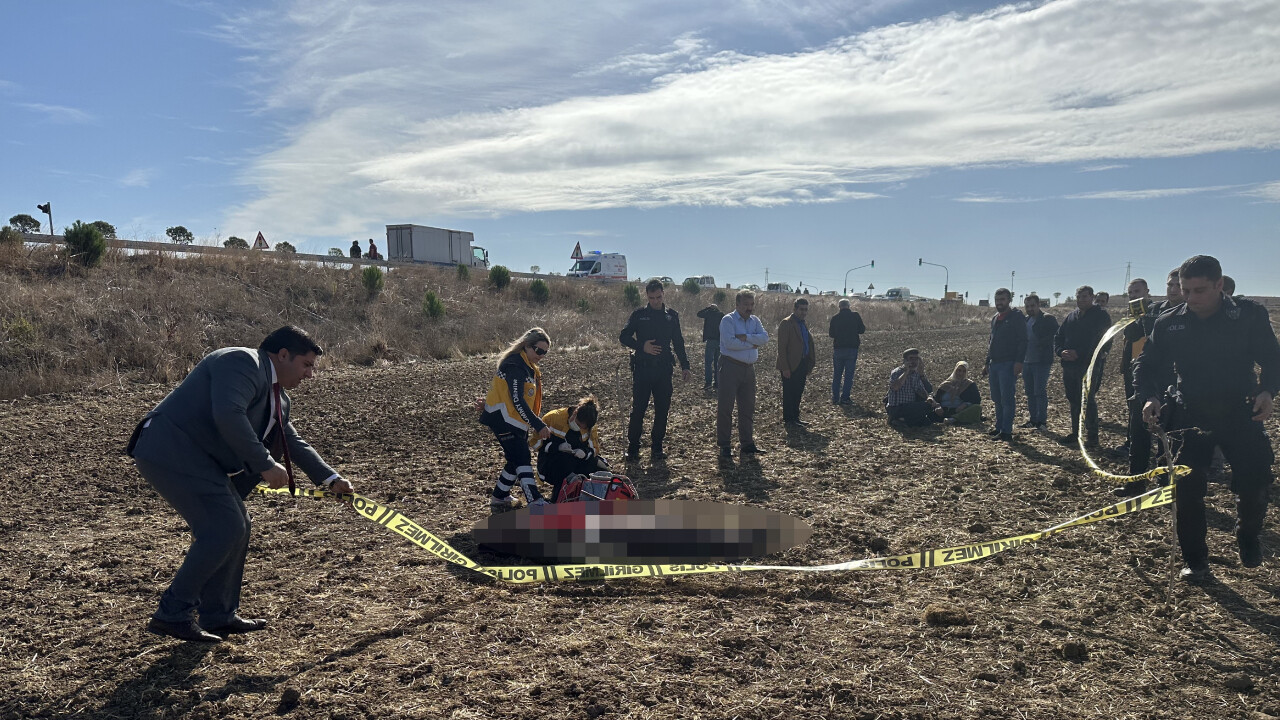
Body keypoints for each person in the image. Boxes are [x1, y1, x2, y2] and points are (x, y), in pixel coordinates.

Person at [126, 325, 355, 642]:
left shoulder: (280, 398)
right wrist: (264, 463)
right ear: (283, 354)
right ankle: (172, 614)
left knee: (238, 525)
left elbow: (289, 439)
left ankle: (218, 615)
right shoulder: (241, 361)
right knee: (224, 527)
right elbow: (228, 413)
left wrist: (329, 478)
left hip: (199, 459)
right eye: (306, 365)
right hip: (171, 449)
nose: (310, 375)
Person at [1133, 255, 1280, 582]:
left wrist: (1268, 390)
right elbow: (1146, 365)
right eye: (1186, 290)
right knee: (1186, 491)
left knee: (1256, 484)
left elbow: (1272, 359)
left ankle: (1247, 534)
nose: (1191, 298)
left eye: (1200, 290)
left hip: (1241, 413)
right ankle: (1196, 562)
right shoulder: (1170, 322)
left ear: (1219, 285)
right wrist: (1151, 397)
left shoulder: (1247, 316)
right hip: (1189, 414)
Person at [619, 280, 691, 461]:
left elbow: (679, 342)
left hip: (664, 370)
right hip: (643, 370)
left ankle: (657, 447)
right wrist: (641, 346)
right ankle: (633, 447)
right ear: (647, 296)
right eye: (651, 298)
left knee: (662, 409)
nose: (655, 301)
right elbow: (624, 336)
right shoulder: (639, 314)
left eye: (658, 297)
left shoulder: (672, 316)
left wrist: (685, 365)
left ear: (663, 294)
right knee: (638, 410)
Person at [481, 328, 552, 508]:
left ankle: (500, 496)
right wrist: (537, 424)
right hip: (503, 420)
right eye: (538, 350)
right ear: (527, 346)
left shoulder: (528, 367)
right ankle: (534, 500)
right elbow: (517, 400)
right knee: (522, 457)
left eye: (545, 352)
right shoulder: (515, 365)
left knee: (514, 458)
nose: (541, 355)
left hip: (514, 421)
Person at [1112, 279, 1157, 490]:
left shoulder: (1157, 313)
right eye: (1130, 292)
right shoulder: (1132, 315)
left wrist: (1143, 318)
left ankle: (1163, 479)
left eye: (1137, 291)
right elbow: (1129, 337)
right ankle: (1136, 479)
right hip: (1133, 369)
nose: (1133, 295)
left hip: (1153, 373)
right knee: (1134, 415)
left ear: (1147, 292)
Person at [1054, 285, 1111, 447]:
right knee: (1073, 399)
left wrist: (1080, 353)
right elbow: (1058, 337)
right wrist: (1061, 351)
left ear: (1092, 297)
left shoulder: (1101, 316)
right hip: (1069, 366)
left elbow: (1105, 340)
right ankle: (1076, 432)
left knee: (1087, 400)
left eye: (1085, 297)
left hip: (1089, 365)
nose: (1081, 300)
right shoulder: (1071, 317)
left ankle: (1092, 437)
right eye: (1079, 297)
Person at [718, 291, 769, 458]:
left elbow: (764, 338)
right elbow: (730, 343)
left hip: (749, 369)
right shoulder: (728, 320)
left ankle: (747, 443)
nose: (749, 308)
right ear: (737, 304)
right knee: (726, 407)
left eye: (752, 304)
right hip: (730, 367)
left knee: (747, 407)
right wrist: (752, 343)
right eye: (746, 304)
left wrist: (746, 337)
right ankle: (725, 444)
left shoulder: (755, 321)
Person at [532, 395, 609, 502]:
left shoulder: (591, 428)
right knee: (565, 464)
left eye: (583, 428)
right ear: (575, 412)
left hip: (577, 461)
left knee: (601, 469)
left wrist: (585, 453)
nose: (579, 428)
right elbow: (535, 443)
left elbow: (595, 449)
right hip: (552, 462)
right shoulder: (552, 418)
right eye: (577, 424)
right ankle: (558, 500)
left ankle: (592, 498)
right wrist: (557, 447)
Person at [981, 288, 1026, 441]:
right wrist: (987, 362)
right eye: (997, 300)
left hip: (1008, 364)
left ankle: (1006, 431)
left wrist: (1019, 362)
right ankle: (999, 427)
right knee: (997, 398)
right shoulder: (995, 318)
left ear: (1009, 300)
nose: (999, 303)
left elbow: (1023, 341)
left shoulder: (1017, 317)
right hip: (994, 364)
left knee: (1007, 399)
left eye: (1003, 300)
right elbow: (991, 342)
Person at [777, 297, 817, 427]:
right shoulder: (786, 323)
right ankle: (789, 419)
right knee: (789, 393)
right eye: (801, 309)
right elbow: (782, 348)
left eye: (806, 310)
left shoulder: (803, 323)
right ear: (795, 309)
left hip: (802, 363)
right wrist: (785, 368)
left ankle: (795, 417)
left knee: (798, 392)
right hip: (790, 364)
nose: (803, 312)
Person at [1021, 294, 1058, 431]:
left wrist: (1042, 343)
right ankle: (1033, 419)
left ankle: (1042, 421)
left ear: (1038, 305)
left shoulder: (1048, 319)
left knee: (1039, 391)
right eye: (1027, 306)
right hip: (1026, 361)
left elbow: (1056, 335)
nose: (1030, 309)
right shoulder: (1025, 320)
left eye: (1032, 306)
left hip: (1041, 361)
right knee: (1030, 392)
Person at [886, 348, 943, 426]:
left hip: (910, 406)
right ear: (905, 360)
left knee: (926, 422)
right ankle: (898, 418)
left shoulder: (915, 374)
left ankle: (902, 420)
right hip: (897, 408)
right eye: (911, 359)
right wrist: (906, 372)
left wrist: (932, 401)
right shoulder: (897, 372)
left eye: (916, 359)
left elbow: (923, 390)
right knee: (926, 407)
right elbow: (895, 387)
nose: (914, 361)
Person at [829, 298, 866, 405]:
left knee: (837, 375)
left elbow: (831, 334)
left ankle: (835, 398)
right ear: (849, 306)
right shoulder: (855, 316)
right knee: (848, 375)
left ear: (839, 306)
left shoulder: (835, 318)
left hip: (838, 349)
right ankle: (845, 398)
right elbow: (862, 330)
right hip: (852, 348)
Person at [696, 303, 725, 391]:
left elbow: (699, 314)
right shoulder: (721, 315)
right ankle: (717, 383)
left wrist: (707, 307)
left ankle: (708, 383)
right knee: (717, 363)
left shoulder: (708, 313)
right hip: (719, 341)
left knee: (708, 363)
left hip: (711, 341)